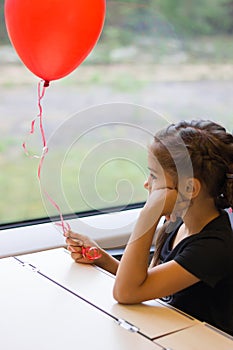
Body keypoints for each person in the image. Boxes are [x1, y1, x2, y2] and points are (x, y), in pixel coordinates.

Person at [64, 120, 233, 335]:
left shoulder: (213, 247)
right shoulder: (178, 222)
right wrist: (103, 260)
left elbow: (126, 292)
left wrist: (148, 214)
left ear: (190, 188)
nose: (146, 183)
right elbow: (148, 282)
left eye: (153, 176)